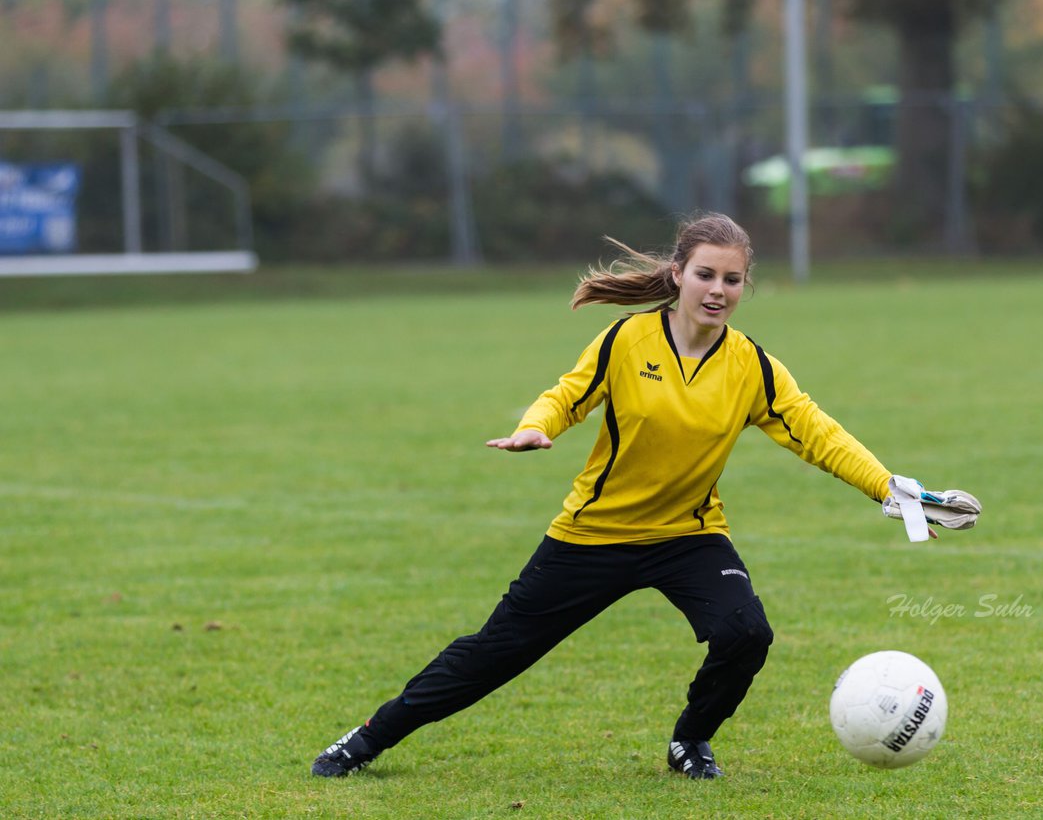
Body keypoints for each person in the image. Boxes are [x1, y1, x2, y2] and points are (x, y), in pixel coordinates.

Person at [311, 212, 978, 781]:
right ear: (679, 275)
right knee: (491, 656)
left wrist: (888, 487)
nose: (718, 290)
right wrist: (534, 428)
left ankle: (691, 739)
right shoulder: (629, 340)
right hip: (592, 536)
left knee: (745, 632)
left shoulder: (752, 366)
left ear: (746, 285)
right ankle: (369, 737)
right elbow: (567, 394)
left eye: (733, 279)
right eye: (706, 275)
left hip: (687, 536)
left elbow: (816, 432)